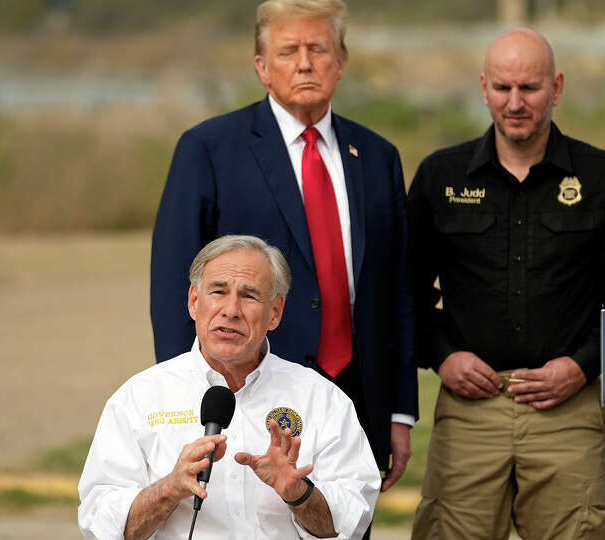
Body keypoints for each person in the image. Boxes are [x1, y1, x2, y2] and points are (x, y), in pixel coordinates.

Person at [149, 0, 416, 493]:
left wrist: (400, 410)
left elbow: (397, 290)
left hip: (358, 397)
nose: (305, 62)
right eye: (289, 50)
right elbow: (173, 290)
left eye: (318, 48)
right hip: (247, 394)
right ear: (262, 66)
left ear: (341, 61)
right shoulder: (208, 149)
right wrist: (185, 406)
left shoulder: (378, 157)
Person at [407, 28, 605, 539]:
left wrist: (582, 367)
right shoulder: (440, 178)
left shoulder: (604, 179)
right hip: (470, 411)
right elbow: (406, 288)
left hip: (568, 410)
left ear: (556, 87)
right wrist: (443, 354)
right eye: (502, 87)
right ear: (484, 87)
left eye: (530, 88)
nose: (515, 103)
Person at [79, 235, 380, 539]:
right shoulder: (139, 398)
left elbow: (351, 523)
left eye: (249, 296)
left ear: (275, 312)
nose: (231, 310)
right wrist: (169, 489)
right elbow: (101, 525)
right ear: (194, 302)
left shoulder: (321, 399)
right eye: (218, 292)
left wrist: (298, 493)